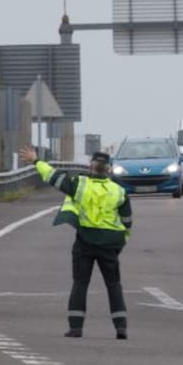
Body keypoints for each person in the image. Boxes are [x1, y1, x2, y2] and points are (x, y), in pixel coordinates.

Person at [20, 146, 133, 340]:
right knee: (114, 285)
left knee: (80, 283)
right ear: (109, 169)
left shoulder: (80, 184)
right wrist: (120, 243)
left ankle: (76, 328)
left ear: (91, 167)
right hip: (110, 244)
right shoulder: (119, 191)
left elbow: (54, 177)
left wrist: (36, 161)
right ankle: (121, 327)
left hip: (85, 242)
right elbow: (127, 221)